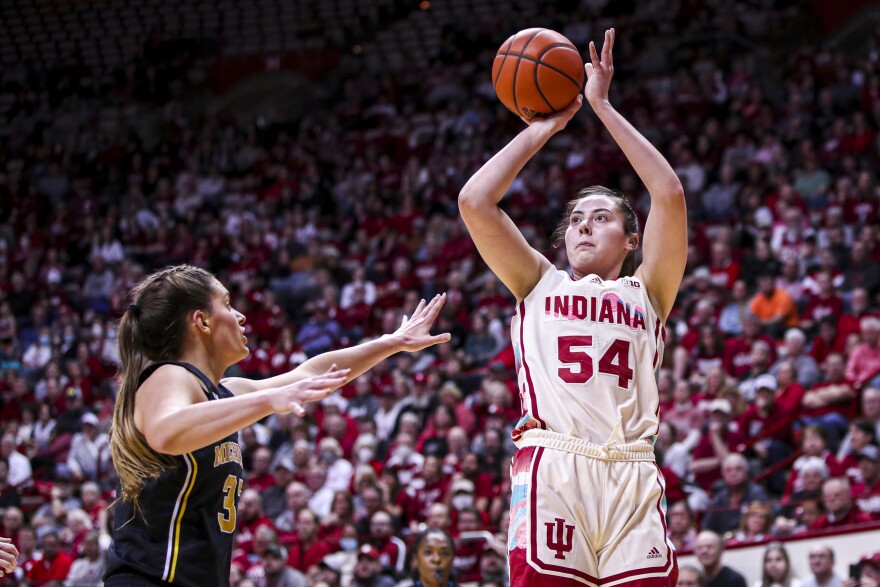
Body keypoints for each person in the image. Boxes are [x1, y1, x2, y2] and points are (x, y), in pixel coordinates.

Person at [458, 29, 686, 586]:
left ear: (633, 241)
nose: (585, 223)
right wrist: (544, 127)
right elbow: (475, 201)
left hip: (632, 469)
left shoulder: (649, 290)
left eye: (602, 216)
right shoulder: (537, 281)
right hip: (555, 466)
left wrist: (601, 106)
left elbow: (669, 194)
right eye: (577, 218)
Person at [104, 265, 450, 587]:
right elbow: (166, 431)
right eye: (227, 303)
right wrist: (268, 401)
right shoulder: (169, 375)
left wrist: (392, 342)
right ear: (202, 322)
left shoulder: (224, 394)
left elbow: (311, 374)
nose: (240, 316)